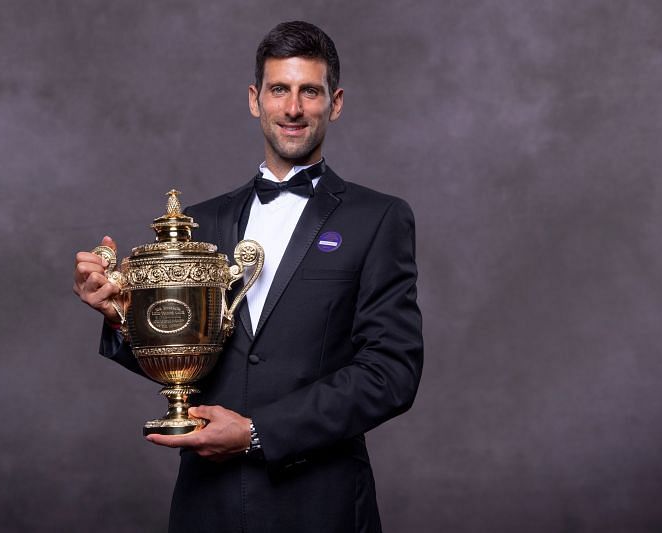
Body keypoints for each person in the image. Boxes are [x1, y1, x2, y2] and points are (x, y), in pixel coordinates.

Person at [73, 21, 423, 533]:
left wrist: (258, 432)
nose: (294, 108)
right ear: (256, 100)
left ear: (337, 102)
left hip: (322, 508)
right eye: (280, 89)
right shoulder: (201, 223)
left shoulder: (379, 218)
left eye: (310, 91)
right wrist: (121, 315)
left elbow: (391, 373)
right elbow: (183, 353)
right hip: (207, 507)